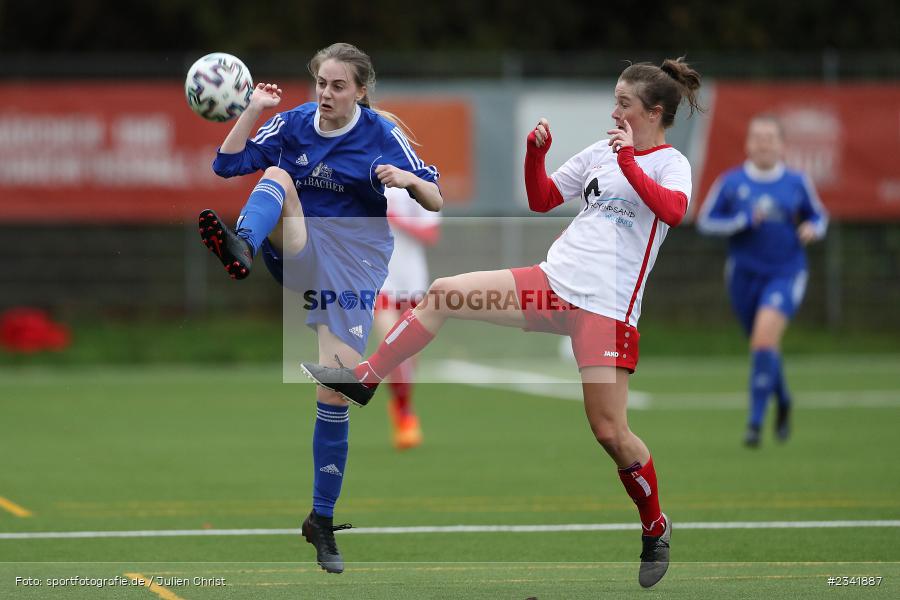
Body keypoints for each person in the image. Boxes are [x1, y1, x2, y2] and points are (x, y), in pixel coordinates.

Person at [303, 57, 703, 589]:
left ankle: (655, 527)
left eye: (624, 104)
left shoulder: (668, 163)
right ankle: (367, 380)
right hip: (551, 284)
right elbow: (541, 200)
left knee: (610, 432)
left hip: (606, 310)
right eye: (614, 100)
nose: (615, 111)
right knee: (442, 294)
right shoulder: (602, 155)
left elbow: (673, 211)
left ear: (653, 112)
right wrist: (535, 154)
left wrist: (629, 161)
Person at [198, 42, 442, 574]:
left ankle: (321, 521)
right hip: (301, 247)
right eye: (321, 84)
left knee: (334, 389)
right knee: (278, 177)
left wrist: (408, 181)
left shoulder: (383, 134)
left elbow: (437, 197)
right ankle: (240, 242)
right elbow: (225, 164)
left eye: (337, 86)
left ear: (360, 90)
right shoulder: (294, 123)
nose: (325, 94)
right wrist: (253, 110)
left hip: (354, 265)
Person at [697, 114, 828, 447]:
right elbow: (706, 222)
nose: (764, 143)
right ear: (747, 144)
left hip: (786, 273)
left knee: (764, 341)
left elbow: (818, 216)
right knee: (762, 347)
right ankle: (783, 400)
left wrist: (813, 227)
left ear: (782, 145)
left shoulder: (796, 182)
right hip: (743, 277)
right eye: (758, 137)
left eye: (771, 138)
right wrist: (741, 220)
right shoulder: (731, 182)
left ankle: (754, 424)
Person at [375, 186, 441, 450]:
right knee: (393, 343)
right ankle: (405, 415)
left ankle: (402, 403)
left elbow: (431, 233)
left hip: (412, 278)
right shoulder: (367, 176)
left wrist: (396, 219)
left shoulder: (419, 183)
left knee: (410, 353)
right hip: (380, 276)